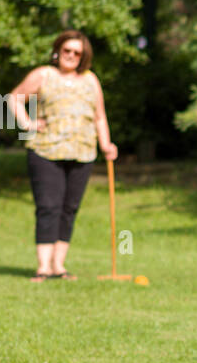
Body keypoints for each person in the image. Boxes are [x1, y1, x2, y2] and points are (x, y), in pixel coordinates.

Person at [9, 31, 118, 281]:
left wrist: (106, 144)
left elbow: (100, 116)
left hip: (82, 152)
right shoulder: (43, 75)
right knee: (48, 207)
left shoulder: (91, 80)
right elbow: (14, 98)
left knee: (70, 208)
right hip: (46, 150)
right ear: (58, 51)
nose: (71, 56)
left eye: (77, 53)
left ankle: (59, 266)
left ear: (83, 56)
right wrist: (28, 123)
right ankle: (43, 267)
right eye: (67, 50)